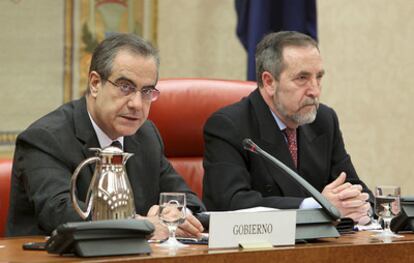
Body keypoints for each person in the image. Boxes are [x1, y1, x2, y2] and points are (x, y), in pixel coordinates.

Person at [6, 33, 205, 237]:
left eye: (146, 91)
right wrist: (143, 226)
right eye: (125, 87)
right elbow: (60, 214)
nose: (136, 104)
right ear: (95, 84)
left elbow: (189, 201)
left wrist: (174, 213)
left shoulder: (146, 136)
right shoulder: (45, 138)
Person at [202, 31, 372, 224]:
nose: (315, 90)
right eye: (302, 78)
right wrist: (314, 206)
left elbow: (353, 186)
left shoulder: (324, 120)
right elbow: (232, 203)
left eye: (319, 77)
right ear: (269, 82)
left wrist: (360, 204)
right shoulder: (229, 126)